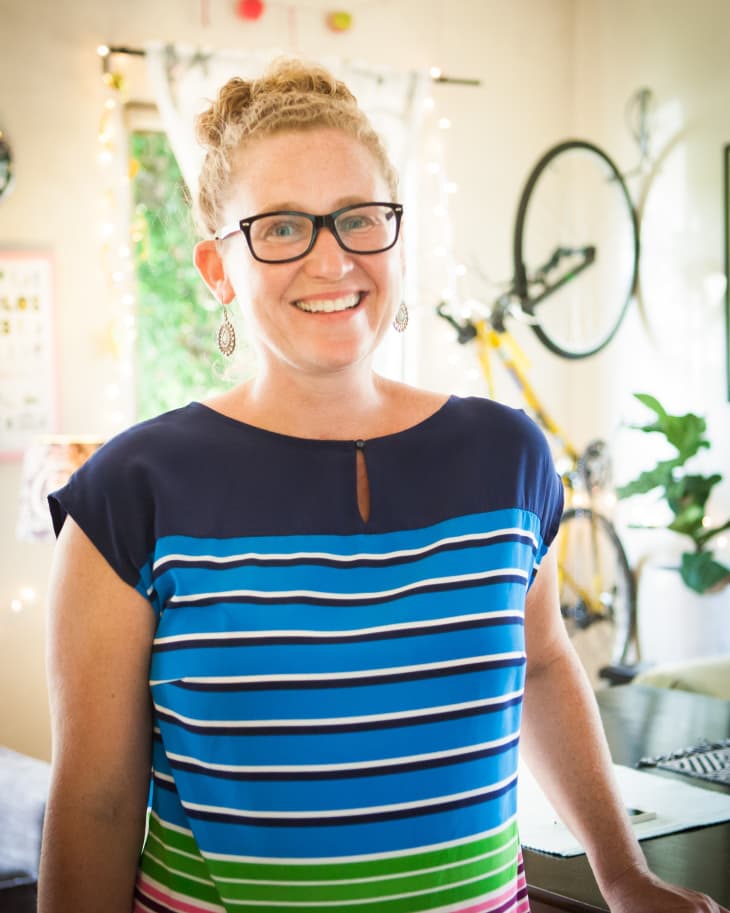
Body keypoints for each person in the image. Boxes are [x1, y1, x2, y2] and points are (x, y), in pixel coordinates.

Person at [37, 58, 727, 913]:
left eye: (358, 219)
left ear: (394, 237)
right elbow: (95, 804)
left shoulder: (507, 458)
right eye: (282, 227)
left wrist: (623, 874)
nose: (331, 259)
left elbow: (545, 665)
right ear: (218, 269)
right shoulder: (128, 494)